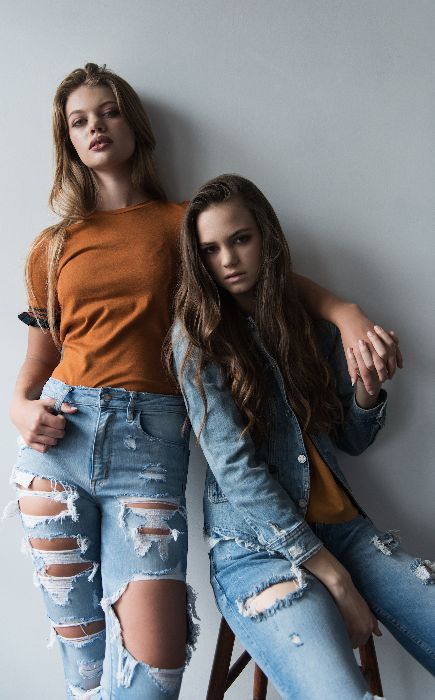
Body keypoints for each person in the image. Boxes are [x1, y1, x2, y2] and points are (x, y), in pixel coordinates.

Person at [6, 62, 401, 699]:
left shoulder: (183, 224)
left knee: (154, 671)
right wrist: (19, 408)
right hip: (59, 444)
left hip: (149, 452)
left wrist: (345, 312)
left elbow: (272, 282)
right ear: (68, 141)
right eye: (78, 121)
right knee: (84, 668)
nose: (96, 127)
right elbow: (38, 361)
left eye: (108, 111)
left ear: (134, 123)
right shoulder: (51, 246)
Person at [170, 173, 434, 700]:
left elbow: (351, 440)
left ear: (266, 237)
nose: (228, 260)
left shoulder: (307, 324)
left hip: (347, 534)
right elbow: (236, 471)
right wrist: (333, 577)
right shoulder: (197, 338)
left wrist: (367, 388)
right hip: (255, 549)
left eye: (240, 239)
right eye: (211, 249)